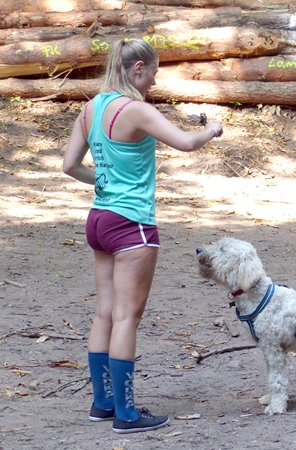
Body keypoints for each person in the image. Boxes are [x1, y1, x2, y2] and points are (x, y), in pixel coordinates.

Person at [63, 38, 223, 434]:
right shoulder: (135, 109)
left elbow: (70, 166)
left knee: (104, 313)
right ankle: (127, 414)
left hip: (99, 219)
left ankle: (103, 404)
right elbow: (186, 142)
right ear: (138, 69)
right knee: (126, 317)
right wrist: (212, 130)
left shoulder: (91, 108)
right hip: (131, 224)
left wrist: (104, 181)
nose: (154, 79)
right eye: (153, 71)